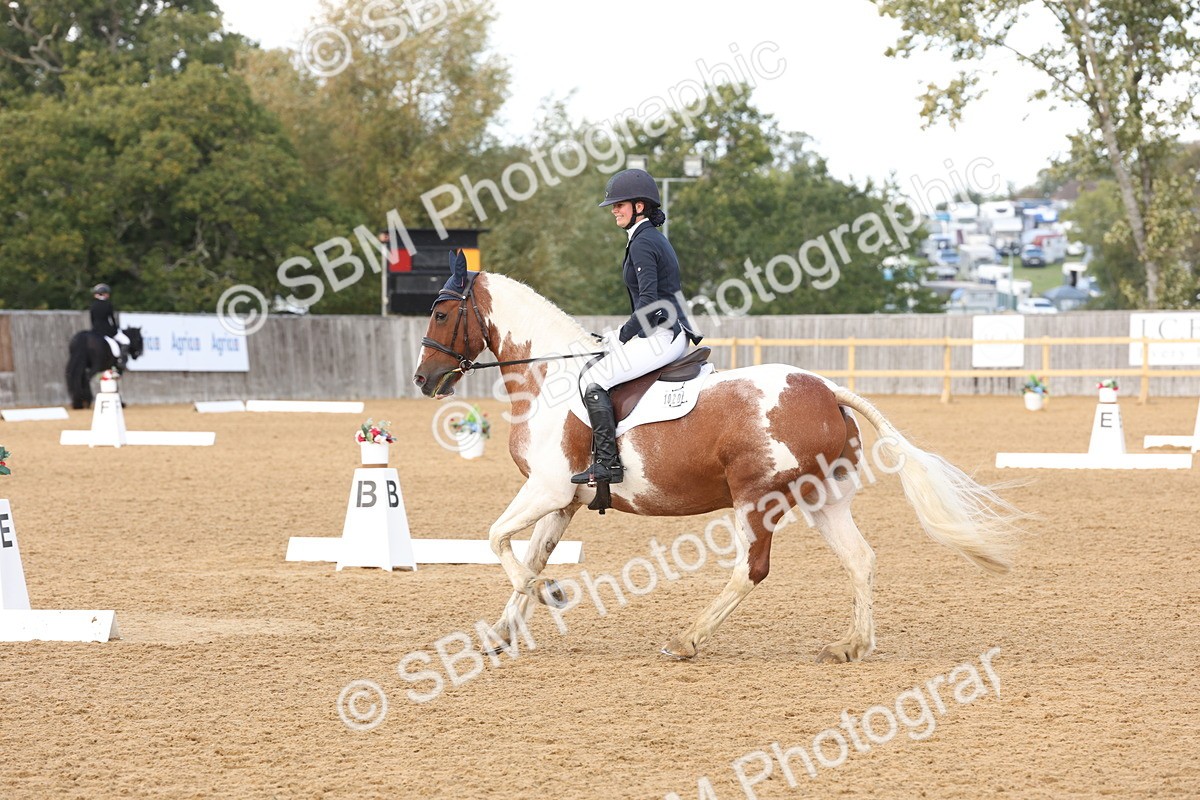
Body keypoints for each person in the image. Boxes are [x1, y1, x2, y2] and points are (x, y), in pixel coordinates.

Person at [570, 168, 702, 489]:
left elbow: (648, 303)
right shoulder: (646, 239)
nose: (614, 210)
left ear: (639, 207)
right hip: (661, 330)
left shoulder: (644, 242)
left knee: (593, 379)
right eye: (613, 206)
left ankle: (607, 464)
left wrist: (623, 335)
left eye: (619, 205)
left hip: (663, 333)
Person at [89, 283, 130, 367]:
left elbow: (92, 320)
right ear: (104, 294)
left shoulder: (93, 305)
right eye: (107, 293)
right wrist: (115, 328)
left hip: (95, 330)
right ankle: (121, 361)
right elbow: (111, 319)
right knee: (126, 341)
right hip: (107, 330)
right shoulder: (108, 304)